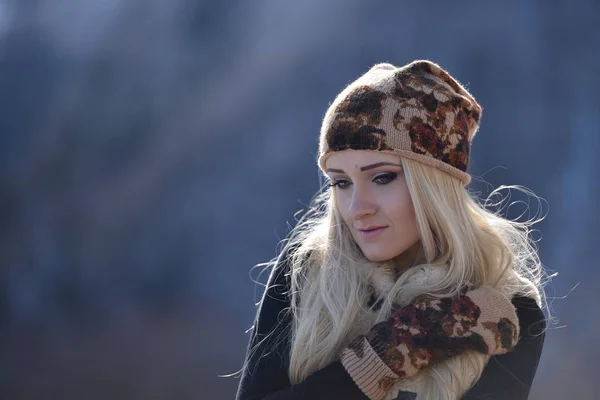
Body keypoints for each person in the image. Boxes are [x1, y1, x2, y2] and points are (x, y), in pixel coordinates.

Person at [234, 60, 548, 400]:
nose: (357, 208)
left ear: (434, 185)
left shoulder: (504, 308)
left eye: (382, 177)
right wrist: (392, 351)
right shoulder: (306, 271)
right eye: (341, 183)